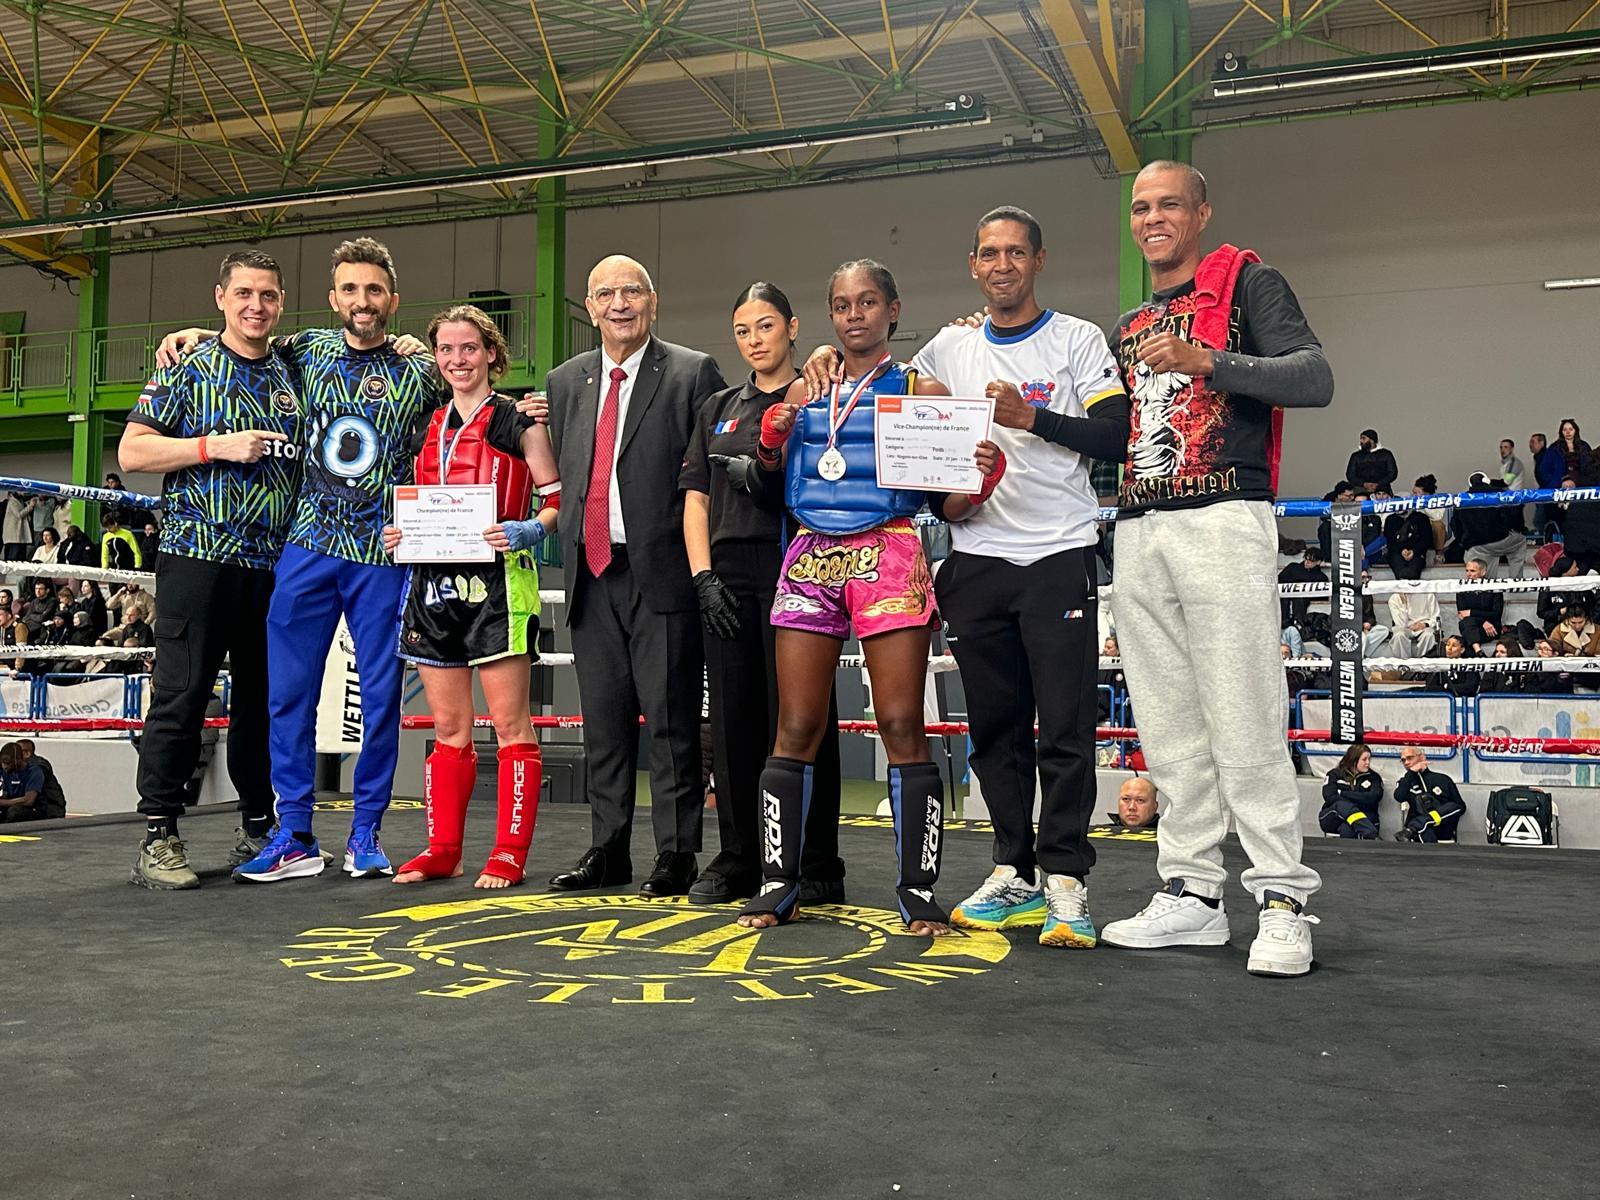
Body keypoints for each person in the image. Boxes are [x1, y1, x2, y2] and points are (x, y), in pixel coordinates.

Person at [806, 209, 1128, 944]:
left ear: (1038, 260)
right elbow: (898, 415)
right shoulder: (948, 347)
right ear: (973, 266)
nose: (1004, 264)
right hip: (975, 555)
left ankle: (1067, 881)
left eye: (1016, 252)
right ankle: (1013, 869)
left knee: (1066, 729)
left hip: (1058, 551)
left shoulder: (1076, 338)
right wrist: (824, 356)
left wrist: (1035, 417)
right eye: (990, 254)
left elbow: (1117, 436)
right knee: (995, 730)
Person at [1099, 160, 1331, 978]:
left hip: (1226, 514)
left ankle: (1281, 899)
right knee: (1167, 727)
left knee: (1244, 713)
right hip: (1139, 522)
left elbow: (1314, 377)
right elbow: (1123, 430)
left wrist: (1209, 362)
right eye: (1140, 207)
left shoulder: (1249, 280)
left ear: (1200, 213)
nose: (1153, 218)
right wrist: (1027, 419)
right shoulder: (1131, 320)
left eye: (1168, 204)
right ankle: (1193, 895)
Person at [159, 238, 440, 884]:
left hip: (380, 554)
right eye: (349, 289)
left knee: (379, 700)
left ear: (391, 300)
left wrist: (530, 412)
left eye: (373, 290)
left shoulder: (417, 370)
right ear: (332, 297)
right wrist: (193, 332)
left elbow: (473, 391)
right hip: (307, 547)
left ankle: (365, 832)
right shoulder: (304, 351)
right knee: (287, 696)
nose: (361, 301)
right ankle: (293, 834)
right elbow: (243, 339)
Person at [739, 257, 1002, 935]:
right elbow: (772, 473)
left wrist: (981, 478)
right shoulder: (806, 383)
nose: (854, 314)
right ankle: (776, 884)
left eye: (867, 302)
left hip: (889, 548)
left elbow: (949, 504)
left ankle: (917, 892)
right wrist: (772, 439)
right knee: (794, 726)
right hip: (809, 549)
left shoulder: (922, 385)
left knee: (900, 724)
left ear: (892, 309)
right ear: (831, 315)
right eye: (842, 304)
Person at [541, 255, 728, 897]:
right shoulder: (566, 381)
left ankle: (676, 853)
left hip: (664, 573)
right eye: (604, 294)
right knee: (604, 725)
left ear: (653, 301)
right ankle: (608, 848)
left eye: (631, 291)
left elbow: (711, 474)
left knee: (673, 724)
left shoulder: (691, 370)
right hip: (591, 574)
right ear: (589, 308)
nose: (618, 303)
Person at [119, 248, 303, 890]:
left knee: (262, 702)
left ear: (281, 303)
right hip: (196, 557)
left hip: (274, 564)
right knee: (184, 692)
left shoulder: (294, 368)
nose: (257, 306)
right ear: (221, 296)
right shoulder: (187, 365)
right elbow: (133, 450)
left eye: (269, 296)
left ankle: (260, 827)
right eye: (245, 293)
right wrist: (214, 445)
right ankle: (159, 834)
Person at [678, 282, 847, 905]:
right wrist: (702, 576)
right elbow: (695, 498)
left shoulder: (822, 397)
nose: (754, 340)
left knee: (805, 719)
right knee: (732, 721)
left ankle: (818, 859)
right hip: (728, 575)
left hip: (801, 565)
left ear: (794, 328)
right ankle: (741, 856)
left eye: (767, 326)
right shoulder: (718, 406)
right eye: (744, 330)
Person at [384, 305, 560, 889]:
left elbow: (554, 501)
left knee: (511, 726)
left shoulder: (519, 419)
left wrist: (531, 527)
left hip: (500, 585)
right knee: (449, 727)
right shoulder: (425, 424)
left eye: (469, 349)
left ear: (490, 353)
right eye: (447, 350)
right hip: (432, 584)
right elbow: (416, 498)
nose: (457, 360)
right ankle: (444, 849)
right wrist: (399, 533)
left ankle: (509, 851)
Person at [1392, 746, 1466, 843]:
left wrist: (1429, 819)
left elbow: (1460, 807)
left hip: (1441, 827)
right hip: (1420, 832)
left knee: (1453, 806)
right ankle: (1418, 825)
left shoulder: (1443, 779)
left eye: (1410, 758)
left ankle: (1418, 824)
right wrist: (1411, 773)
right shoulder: (1405, 781)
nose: (1406, 762)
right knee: (1424, 828)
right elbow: (1399, 797)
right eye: (1403, 760)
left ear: (1422, 757)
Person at [1318, 743, 1381, 839]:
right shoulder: (1334, 774)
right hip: (1333, 817)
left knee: (1347, 829)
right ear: (1353, 759)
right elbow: (1329, 797)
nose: (1368, 762)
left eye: (1369, 759)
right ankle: (1371, 834)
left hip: (1365, 818)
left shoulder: (1374, 777)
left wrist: (1343, 793)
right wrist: (1359, 799)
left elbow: (1373, 798)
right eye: (1364, 759)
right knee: (1340, 805)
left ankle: (1348, 854)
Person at [1456, 558, 1504, 653]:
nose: (1468, 574)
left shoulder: (1495, 588)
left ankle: (1477, 651)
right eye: (1467, 571)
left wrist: (1472, 612)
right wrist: (1483, 621)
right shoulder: (1462, 589)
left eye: (1472, 571)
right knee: (1466, 623)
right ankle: (1478, 650)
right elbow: (1463, 615)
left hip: (1492, 628)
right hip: (1475, 625)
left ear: (1483, 572)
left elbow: (1496, 615)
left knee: (1466, 630)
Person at [14, 739, 66, 819]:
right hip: (38, 807)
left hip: (48, 810)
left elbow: (29, 800)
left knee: (14, 812)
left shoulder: (38, 768)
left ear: (27, 753)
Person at [1387, 587, 1441, 658]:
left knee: (1429, 635)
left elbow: (1436, 617)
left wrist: (1425, 624)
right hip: (1404, 628)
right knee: (1399, 635)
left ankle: (1421, 663)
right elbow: (1401, 624)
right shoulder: (1393, 599)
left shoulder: (1428, 594)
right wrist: (1403, 603)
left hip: (1424, 627)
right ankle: (1405, 664)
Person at [1345, 429, 1396, 494]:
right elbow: (1350, 474)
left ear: (1372, 440)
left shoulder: (1386, 454)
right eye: (1360, 439)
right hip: (1360, 490)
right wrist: (1363, 484)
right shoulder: (1356, 456)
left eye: (1364, 438)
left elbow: (1392, 473)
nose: (1361, 441)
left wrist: (1379, 484)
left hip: (1382, 490)